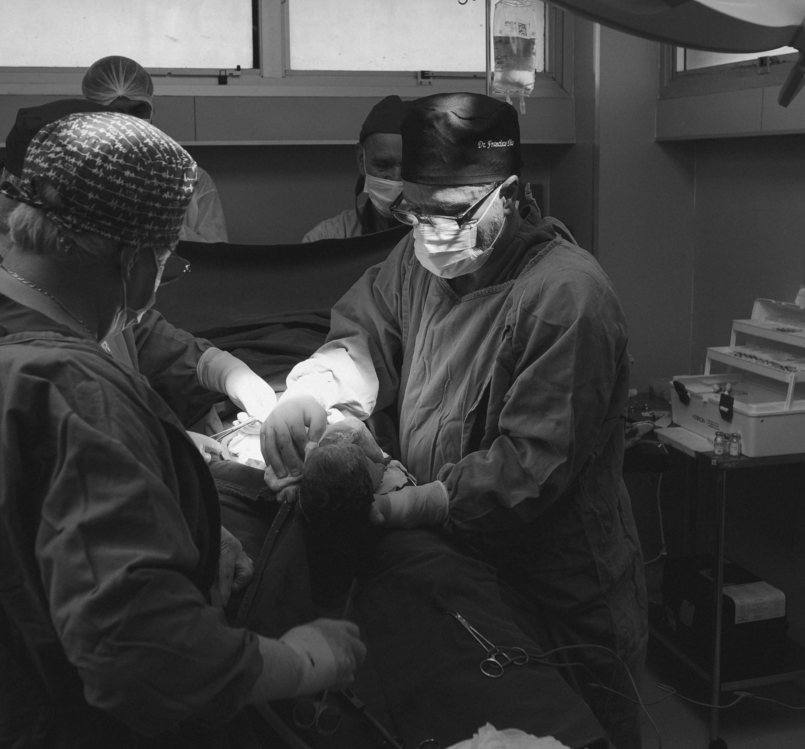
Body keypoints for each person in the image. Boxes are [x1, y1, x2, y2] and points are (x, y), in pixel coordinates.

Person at [0, 112, 365, 748]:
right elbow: (150, 661)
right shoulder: (73, 394)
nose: (158, 282)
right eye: (166, 263)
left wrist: (160, 505)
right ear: (134, 259)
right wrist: (303, 659)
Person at [262, 92, 647, 748]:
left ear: (511, 194)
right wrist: (316, 393)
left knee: (575, 729)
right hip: (458, 564)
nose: (432, 231)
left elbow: (530, 466)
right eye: (416, 211)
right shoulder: (415, 263)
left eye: (452, 213)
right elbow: (361, 338)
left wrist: (423, 502)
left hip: (560, 585)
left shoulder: (565, 297)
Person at [0, 97, 276, 433]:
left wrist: (218, 368)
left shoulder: (45, 281)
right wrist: (162, 450)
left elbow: (127, 331)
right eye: (160, 263)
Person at [83, 54, 229, 243]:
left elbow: (215, 255)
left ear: (152, 111)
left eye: (138, 111)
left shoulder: (192, 180)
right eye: (116, 113)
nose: (130, 122)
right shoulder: (75, 178)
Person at [301, 95, 410, 243]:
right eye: (382, 165)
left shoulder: (441, 239)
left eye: (409, 166)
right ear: (361, 159)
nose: (396, 177)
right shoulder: (326, 238)